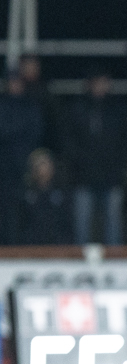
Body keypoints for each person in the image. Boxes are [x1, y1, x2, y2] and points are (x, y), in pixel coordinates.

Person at [65, 69, 127, 245]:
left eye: (103, 82)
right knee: (82, 224)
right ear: (89, 84)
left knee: (113, 223)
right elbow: (69, 140)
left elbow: (126, 141)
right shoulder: (77, 108)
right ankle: (80, 265)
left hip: (111, 176)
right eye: (96, 82)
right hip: (83, 177)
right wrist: (79, 163)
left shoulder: (118, 110)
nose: (100, 86)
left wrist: (118, 165)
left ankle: (115, 264)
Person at [0, 70, 44, 244]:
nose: (15, 85)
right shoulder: (3, 105)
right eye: (12, 82)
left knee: (27, 210)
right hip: (4, 169)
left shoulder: (31, 105)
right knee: (6, 211)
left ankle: (25, 246)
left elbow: (37, 132)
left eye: (17, 81)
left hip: (26, 168)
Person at [20, 149, 71, 245]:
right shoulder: (25, 194)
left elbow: (66, 225)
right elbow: (22, 225)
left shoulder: (61, 193)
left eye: (46, 164)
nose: (43, 169)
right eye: (39, 164)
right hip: (30, 247)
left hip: (58, 247)